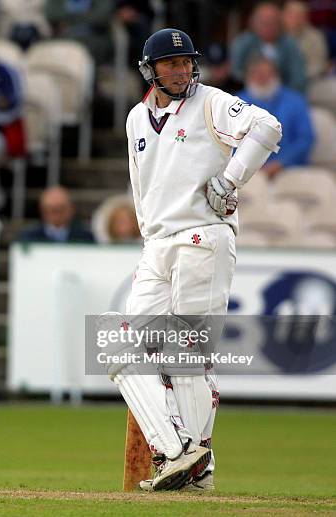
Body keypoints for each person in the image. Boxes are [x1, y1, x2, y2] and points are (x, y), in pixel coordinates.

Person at [113, 28, 281, 492]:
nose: (181, 69)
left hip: (203, 237)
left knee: (187, 354)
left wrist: (228, 183)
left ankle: (192, 466)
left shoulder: (210, 101)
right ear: (150, 69)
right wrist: (149, 240)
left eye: (186, 61)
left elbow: (266, 127)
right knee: (119, 349)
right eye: (170, 64)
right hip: (158, 244)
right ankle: (177, 452)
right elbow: (140, 187)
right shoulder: (135, 119)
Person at [237, 56, 314, 179]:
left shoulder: (295, 101)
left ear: (276, 75)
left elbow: (305, 139)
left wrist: (280, 163)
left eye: (267, 74)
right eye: (256, 73)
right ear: (248, 76)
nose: (261, 78)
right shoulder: (235, 103)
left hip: (289, 172)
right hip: (245, 174)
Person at [231, 2, 306, 93]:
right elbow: (236, 72)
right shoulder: (242, 43)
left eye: (273, 22)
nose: (269, 27)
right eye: (264, 23)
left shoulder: (290, 44)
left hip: (283, 94)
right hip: (249, 94)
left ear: (280, 24)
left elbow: (297, 76)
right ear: (254, 23)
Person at [18, 186, 94, 243]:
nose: (57, 215)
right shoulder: (28, 238)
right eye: (52, 210)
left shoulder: (85, 237)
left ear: (71, 210)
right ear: (42, 211)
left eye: (61, 209)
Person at [45, 0, 113, 63]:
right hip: (64, 37)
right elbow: (51, 13)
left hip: (94, 38)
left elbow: (102, 16)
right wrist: (84, 15)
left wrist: (69, 17)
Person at [282, 0, 329, 80]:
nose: (296, 19)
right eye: (291, 14)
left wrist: (298, 76)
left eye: (300, 15)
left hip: (309, 80)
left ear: (306, 18)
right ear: (282, 15)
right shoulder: (272, 33)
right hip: (278, 82)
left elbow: (318, 65)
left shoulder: (315, 36)